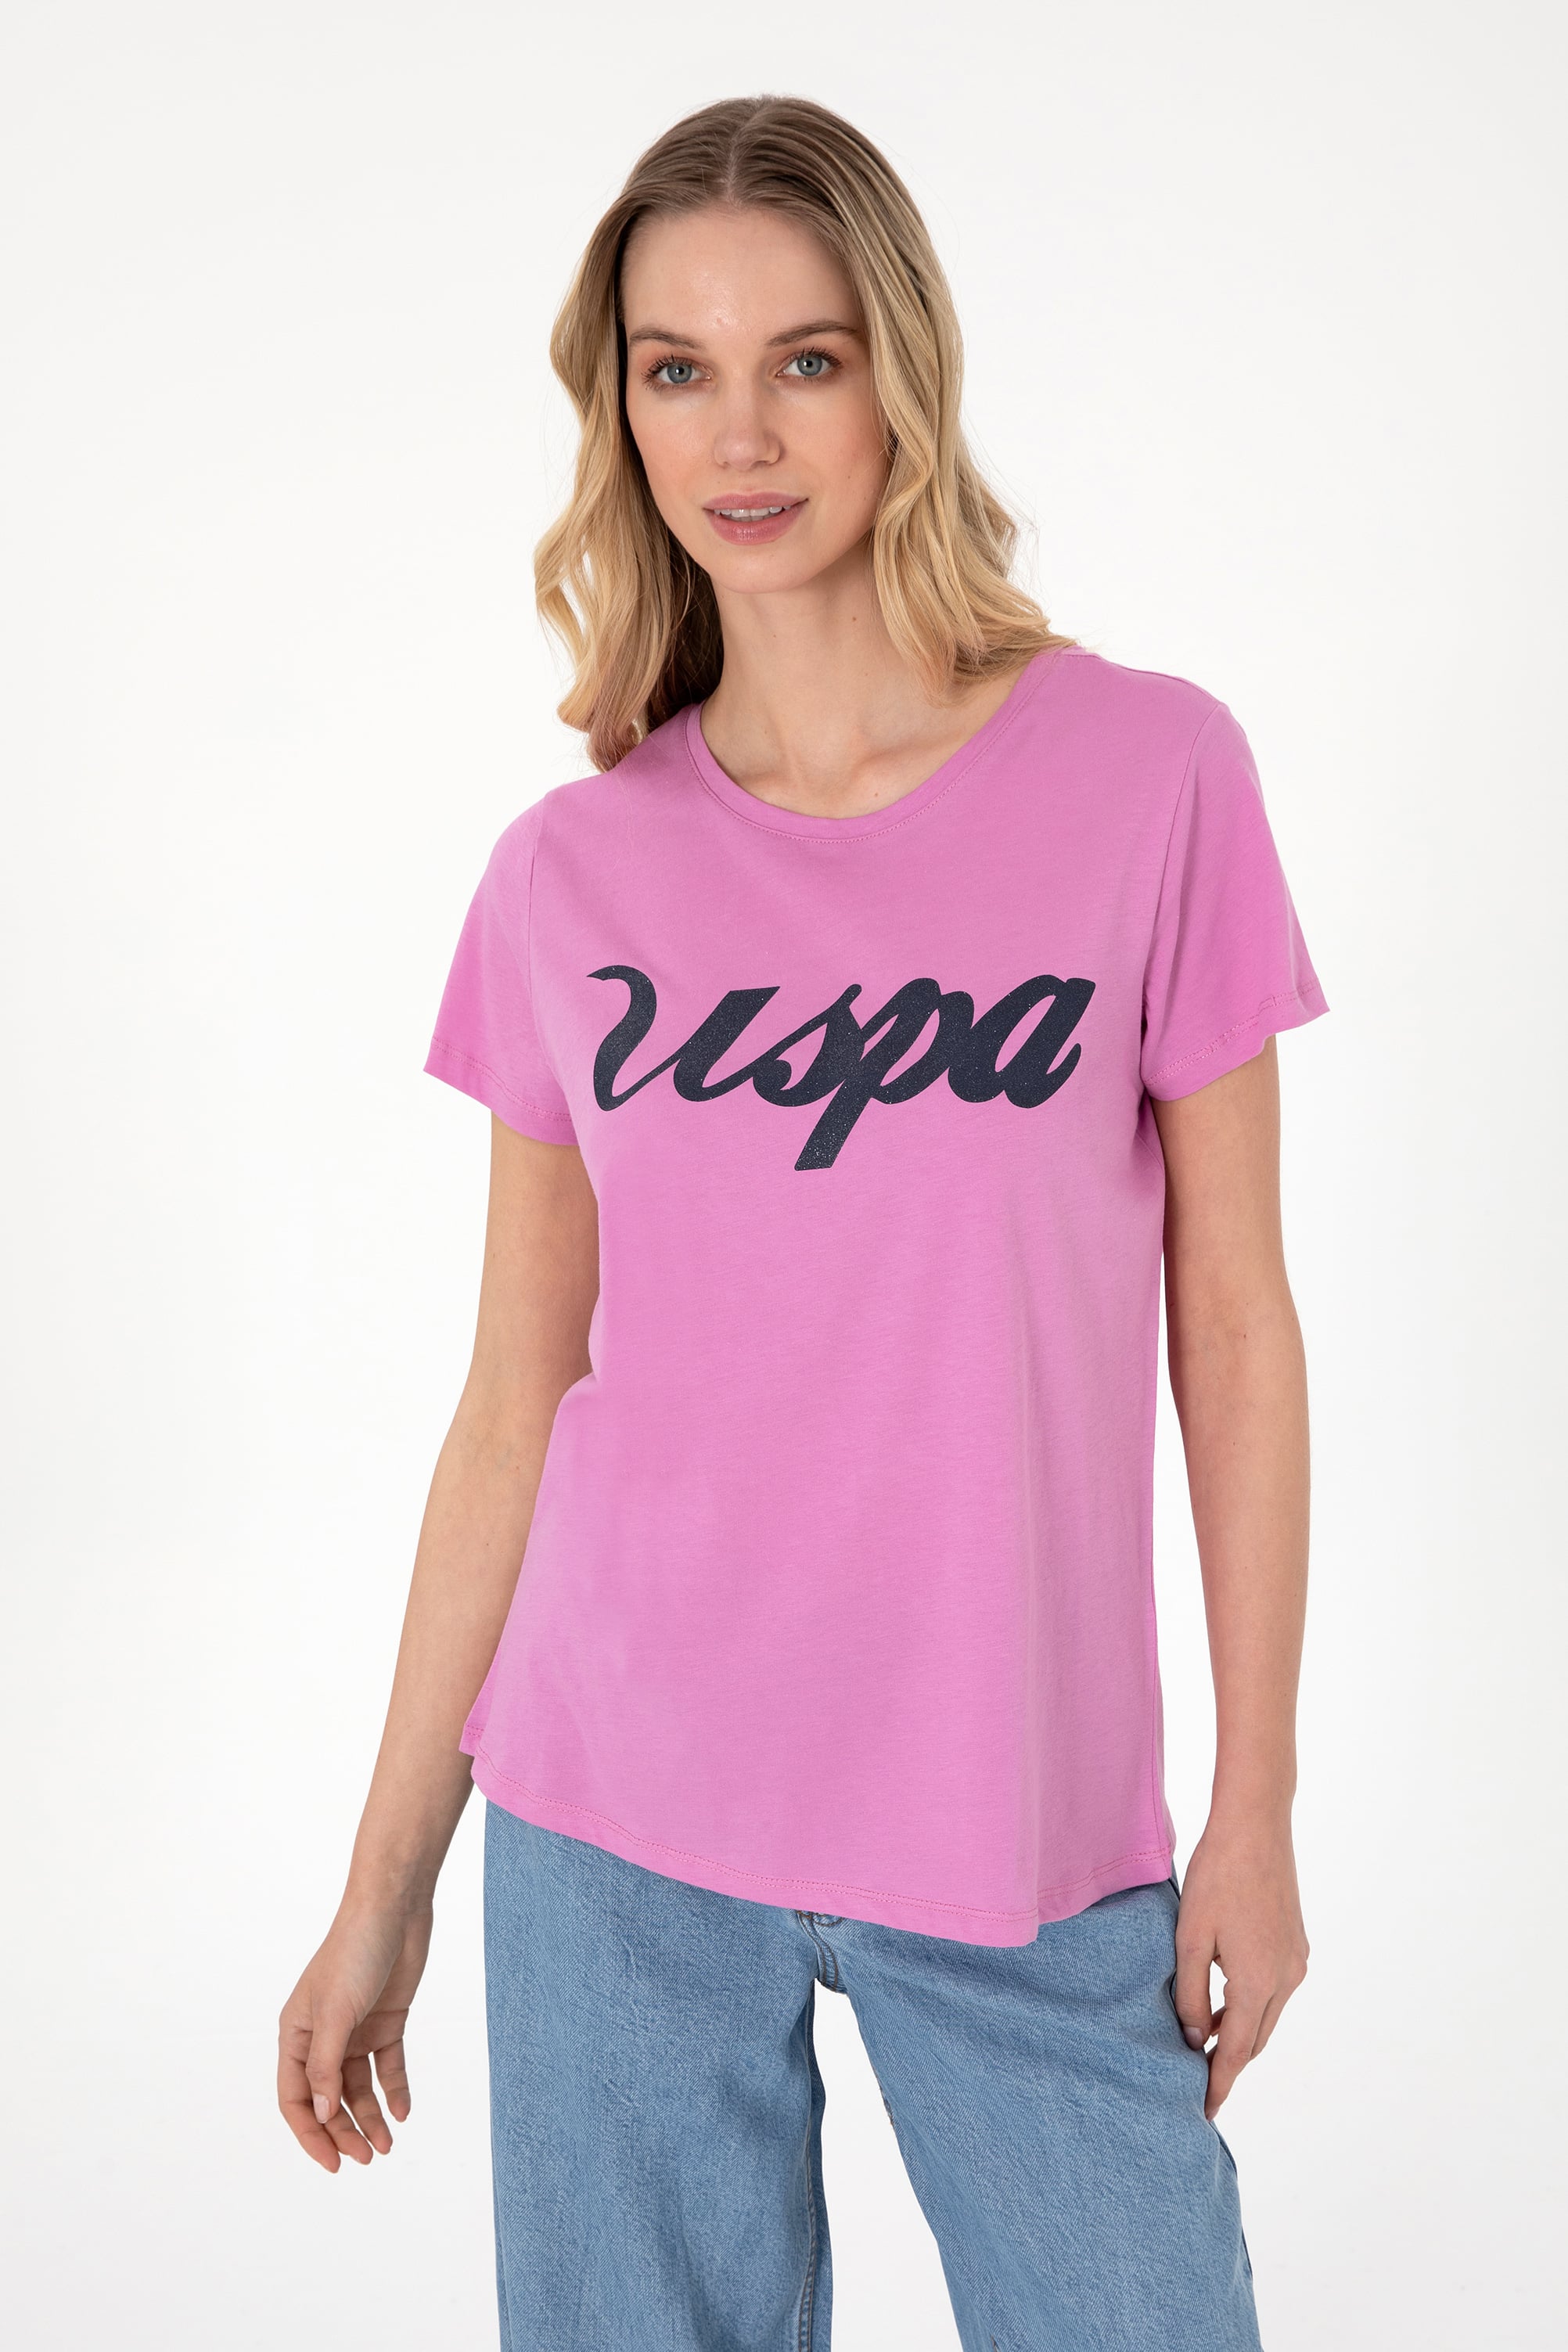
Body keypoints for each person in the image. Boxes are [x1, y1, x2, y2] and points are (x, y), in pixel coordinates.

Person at [278, 92, 1327, 2351]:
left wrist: (1253, 1803)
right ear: (620, 408)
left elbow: (1234, 1327)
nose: (738, 434)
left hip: (1023, 1833)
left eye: (806, 360)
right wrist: (387, 1882)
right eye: (677, 368)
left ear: (901, 382)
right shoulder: (571, 878)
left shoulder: (1151, 777)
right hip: (616, 1828)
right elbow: (514, 1405)